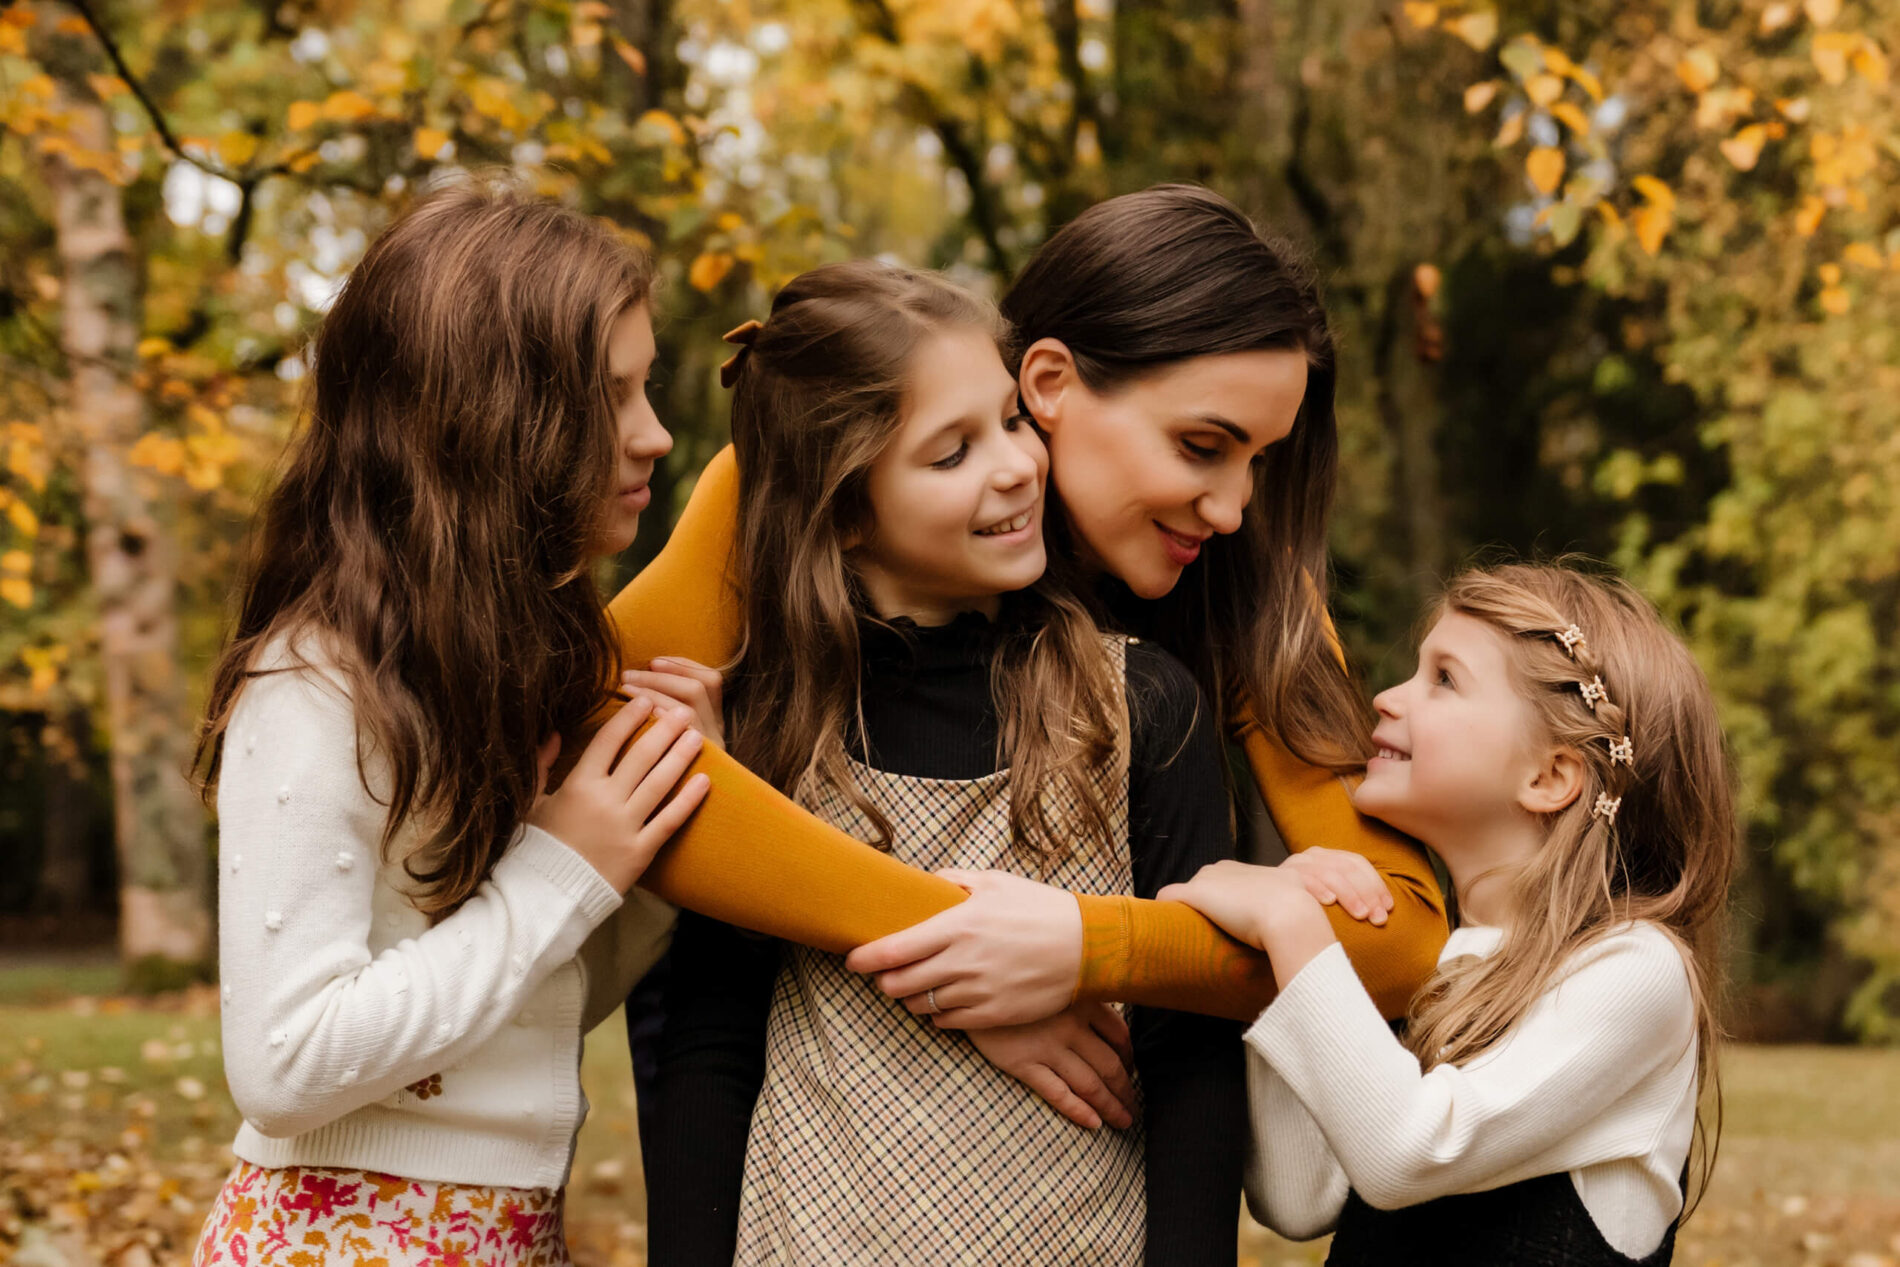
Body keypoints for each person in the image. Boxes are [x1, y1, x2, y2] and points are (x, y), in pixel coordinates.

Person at [602, 184, 1449, 1032]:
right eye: (1201, 446)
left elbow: (1404, 945)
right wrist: (959, 951)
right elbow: (594, 728)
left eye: (1260, 460)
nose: (1232, 509)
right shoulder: (823, 476)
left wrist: (1087, 950)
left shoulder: (1249, 584)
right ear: (1049, 383)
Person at [638, 260, 1245, 1264]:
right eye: (950, 451)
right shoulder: (768, 729)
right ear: (842, 512)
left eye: (1010, 420)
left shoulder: (1139, 707)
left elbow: (1194, 1059)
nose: (1014, 465)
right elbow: (707, 1042)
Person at [189, 178, 708, 1265]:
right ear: (491, 419)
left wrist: (651, 833)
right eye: (613, 396)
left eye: (647, 388)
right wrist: (566, 864)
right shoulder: (316, 680)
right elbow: (284, 1063)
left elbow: (529, 997)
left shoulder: (499, 672)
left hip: (500, 1232)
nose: (655, 434)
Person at [1161, 562, 1735, 1266]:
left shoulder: (1636, 969)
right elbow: (1298, 1196)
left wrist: (1291, 926)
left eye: (1444, 679)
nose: (1386, 697)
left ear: (1549, 777)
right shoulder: (1440, 956)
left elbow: (1406, 1150)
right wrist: (1303, 932)